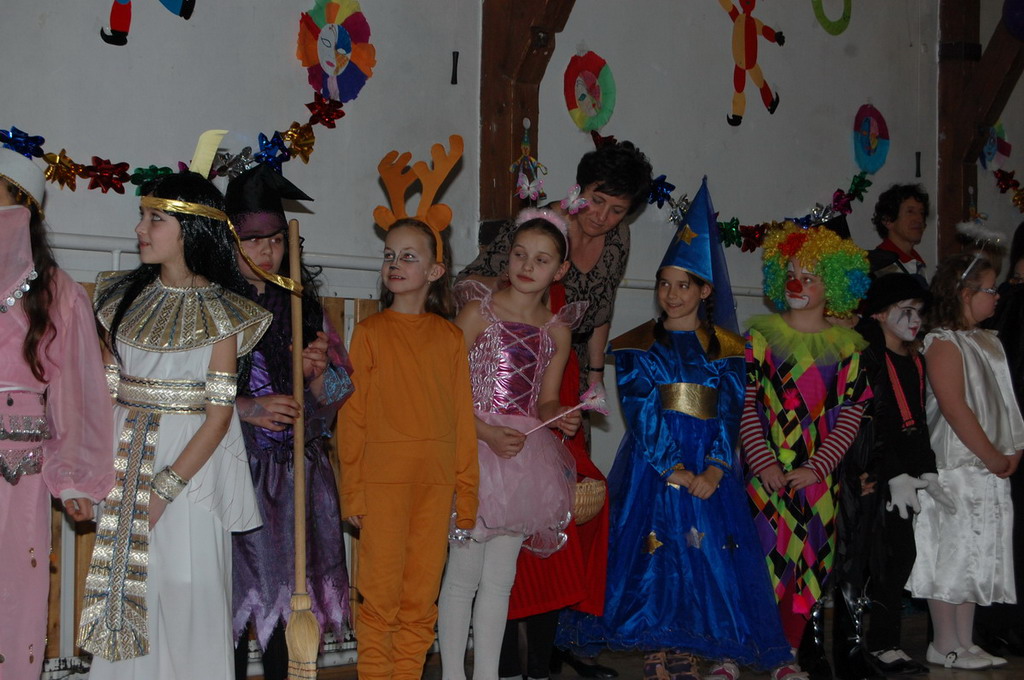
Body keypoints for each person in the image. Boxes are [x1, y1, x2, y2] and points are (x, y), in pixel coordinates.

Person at [558, 206, 791, 680]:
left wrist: (715, 468)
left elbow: (730, 410)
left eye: (684, 285)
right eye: (664, 284)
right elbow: (641, 409)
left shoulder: (728, 348)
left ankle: (691, 641)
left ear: (705, 291)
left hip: (709, 464)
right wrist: (673, 468)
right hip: (654, 464)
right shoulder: (637, 344)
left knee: (706, 552)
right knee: (653, 548)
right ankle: (656, 642)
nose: (672, 294)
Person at [461, 141, 652, 680]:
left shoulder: (617, 238)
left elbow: (603, 311)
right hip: (512, 359)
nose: (603, 217)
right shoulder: (540, 228)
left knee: (562, 513)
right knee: (497, 518)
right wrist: (519, 320)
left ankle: (551, 650)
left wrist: (594, 380)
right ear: (579, 189)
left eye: (617, 210)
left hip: (564, 370)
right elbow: (474, 284)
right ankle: (501, 659)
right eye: (597, 201)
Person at [79, 171, 272, 679]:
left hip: (190, 471)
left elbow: (219, 415)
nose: (140, 229)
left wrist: (164, 489)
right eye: (142, 216)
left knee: (189, 590)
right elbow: (104, 391)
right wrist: (91, 471)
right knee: (129, 586)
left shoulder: (223, 313)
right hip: (124, 460)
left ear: (190, 230)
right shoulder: (120, 299)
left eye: (155, 218)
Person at [438, 209, 582, 680]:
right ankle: (453, 674)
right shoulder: (478, 312)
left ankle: (487, 675)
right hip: (473, 446)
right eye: (520, 254)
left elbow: (545, 400)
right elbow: (444, 387)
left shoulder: (557, 329)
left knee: (500, 581)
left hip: (522, 459)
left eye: (541, 260)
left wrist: (562, 415)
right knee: (462, 576)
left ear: (559, 270)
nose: (527, 266)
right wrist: (483, 432)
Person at [226, 165, 354, 680]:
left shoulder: (304, 308)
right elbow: (187, 395)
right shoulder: (212, 306)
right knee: (234, 602)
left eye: (277, 240)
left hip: (295, 477)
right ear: (229, 241)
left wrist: (317, 375)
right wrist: (247, 407)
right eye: (254, 240)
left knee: (287, 598)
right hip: (235, 471)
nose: (268, 252)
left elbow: (337, 395)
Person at [339, 207, 478, 679]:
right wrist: (354, 492)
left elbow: (462, 420)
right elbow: (353, 419)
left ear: (435, 271)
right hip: (383, 487)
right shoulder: (370, 333)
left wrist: (466, 494)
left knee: (420, 598)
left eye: (408, 256)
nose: (394, 264)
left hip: (435, 488)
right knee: (380, 596)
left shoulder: (449, 338)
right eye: (388, 255)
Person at [0, 147, 115, 679]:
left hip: (17, 475)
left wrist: (73, 477)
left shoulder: (59, 294)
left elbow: (78, 393)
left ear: (21, 203)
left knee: (13, 595)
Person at [741, 223, 872, 680]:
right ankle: (744, 649)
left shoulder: (847, 348)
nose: (798, 284)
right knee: (758, 559)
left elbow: (851, 413)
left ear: (833, 286)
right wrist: (763, 462)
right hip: (765, 476)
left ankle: (788, 654)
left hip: (816, 481)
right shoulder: (759, 339)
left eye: (811, 277)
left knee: (807, 565)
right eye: (792, 274)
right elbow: (746, 405)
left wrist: (818, 468)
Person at [906, 253, 1024, 671]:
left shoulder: (989, 341)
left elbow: (1006, 403)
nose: (998, 296)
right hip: (955, 465)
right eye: (990, 289)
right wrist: (990, 454)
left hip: (986, 466)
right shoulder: (942, 343)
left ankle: (964, 641)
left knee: (977, 552)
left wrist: (1013, 448)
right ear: (964, 293)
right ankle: (943, 642)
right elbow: (954, 407)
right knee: (949, 552)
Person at [836, 274, 941, 678]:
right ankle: (868, 646)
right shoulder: (868, 357)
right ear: (879, 314)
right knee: (870, 560)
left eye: (919, 312)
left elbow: (917, 421)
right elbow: (870, 423)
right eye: (906, 311)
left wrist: (927, 469)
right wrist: (891, 472)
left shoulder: (915, 360)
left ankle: (886, 641)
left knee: (900, 556)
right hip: (874, 474)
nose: (915, 320)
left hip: (905, 476)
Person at [975, 221, 1024, 656]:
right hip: (1009, 436)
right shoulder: (1011, 303)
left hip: (1011, 434)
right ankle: (1000, 625)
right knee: (1008, 532)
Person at [866, 184, 929, 284]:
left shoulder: (918, 263)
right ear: (887, 220)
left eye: (921, 213)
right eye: (910, 211)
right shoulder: (878, 266)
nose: (919, 219)